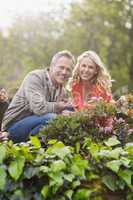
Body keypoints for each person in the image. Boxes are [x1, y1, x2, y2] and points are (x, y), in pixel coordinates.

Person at [2, 50, 75, 143]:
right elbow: (39, 109)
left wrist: (66, 112)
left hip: (37, 122)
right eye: (61, 67)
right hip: (13, 127)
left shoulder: (62, 90)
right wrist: (58, 107)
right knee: (51, 118)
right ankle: (32, 147)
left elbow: (59, 111)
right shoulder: (35, 77)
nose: (64, 72)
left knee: (71, 111)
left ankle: (45, 148)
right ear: (52, 66)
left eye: (68, 69)